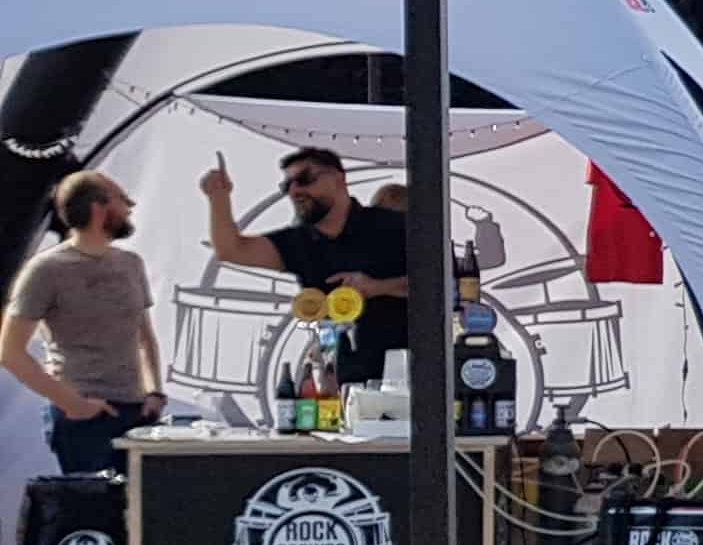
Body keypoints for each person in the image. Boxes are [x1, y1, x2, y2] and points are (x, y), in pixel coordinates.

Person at [200, 146, 411, 386]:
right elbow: (231, 250)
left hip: (410, 379)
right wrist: (218, 198)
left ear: (338, 179)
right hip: (343, 383)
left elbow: (442, 285)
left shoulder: (396, 226)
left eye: (304, 179)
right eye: (286, 186)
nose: (295, 191)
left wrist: (378, 287)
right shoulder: (299, 242)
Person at [5, 171, 162, 476]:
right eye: (121, 199)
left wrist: (154, 392)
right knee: (91, 503)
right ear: (97, 208)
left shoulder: (131, 264)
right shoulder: (45, 270)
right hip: (83, 417)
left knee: (144, 504)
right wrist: (72, 403)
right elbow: (10, 352)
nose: (130, 206)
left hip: (138, 414)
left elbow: (144, 337)